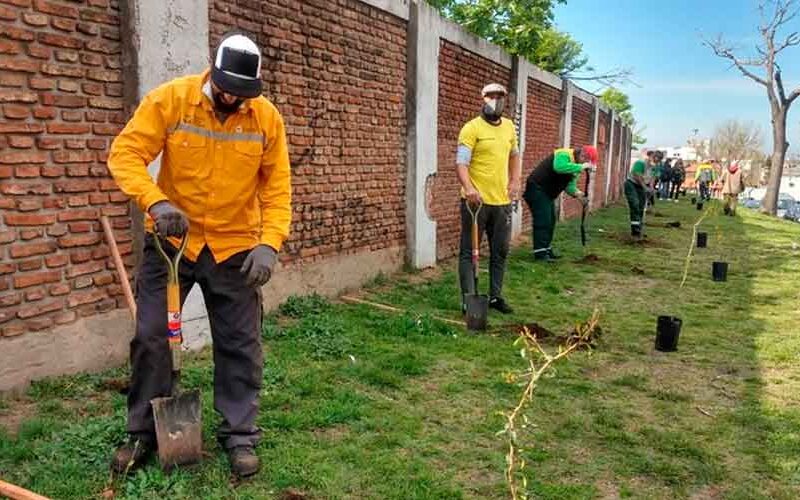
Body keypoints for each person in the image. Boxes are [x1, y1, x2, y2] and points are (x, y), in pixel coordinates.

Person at [106, 33, 292, 477]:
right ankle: (142, 433)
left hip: (234, 248)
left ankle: (240, 436)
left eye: (243, 93)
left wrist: (269, 243)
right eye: (227, 88)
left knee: (240, 344)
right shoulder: (172, 100)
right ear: (213, 71)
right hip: (173, 243)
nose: (232, 98)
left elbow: (278, 188)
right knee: (151, 336)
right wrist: (156, 201)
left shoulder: (266, 119)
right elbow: (125, 153)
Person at [456, 83, 521, 314]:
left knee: (500, 250)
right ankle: (469, 299)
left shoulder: (509, 128)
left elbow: (514, 155)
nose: (496, 100)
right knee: (468, 251)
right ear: (482, 98)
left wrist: (514, 180)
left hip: (501, 202)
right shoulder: (471, 128)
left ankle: (495, 297)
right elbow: (461, 163)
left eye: (500, 97)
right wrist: (469, 188)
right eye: (491, 96)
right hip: (476, 203)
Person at [522, 146, 597, 261]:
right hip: (537, 189)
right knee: (544, 220)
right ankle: (540, 254)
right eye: (586, 161)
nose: (585, 164)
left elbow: (569, 185)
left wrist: (579, 195)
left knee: (551, 220)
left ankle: (546, 249)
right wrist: (581, 166)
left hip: (546, 194)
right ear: (582, 154)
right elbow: (559, 167)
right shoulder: (564, 154)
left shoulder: (575, 167)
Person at [625, 150, 657, 237]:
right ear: (650, 157)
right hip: (631, 184)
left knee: (641, 207)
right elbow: (637, 176)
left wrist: (651, 188)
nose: (655, 161)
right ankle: (635, 230)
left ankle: (638, 227)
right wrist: (645, 188)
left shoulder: (655, 168)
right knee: (635, 203)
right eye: (654, 158)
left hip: (642, 187)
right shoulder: (640, 163)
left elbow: (652, 178)